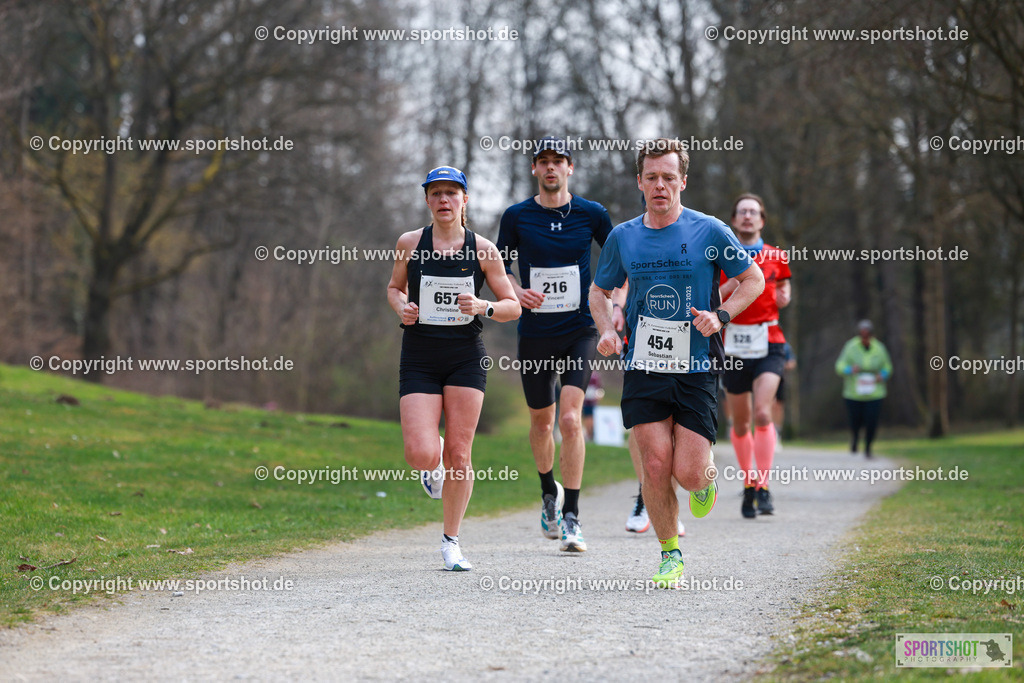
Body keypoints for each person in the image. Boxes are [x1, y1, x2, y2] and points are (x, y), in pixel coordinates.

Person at [590, 138, 764, 587]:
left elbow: (753, 279)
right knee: (653, 464)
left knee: (688, 473)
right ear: (639, 182)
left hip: (697, 366)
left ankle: (706, 482)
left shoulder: (709, 231)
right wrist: (608, 329)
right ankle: (670, 553)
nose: (660, 185)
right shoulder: (623, 237)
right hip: (644, 365)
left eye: (669, 177)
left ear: (683, 180)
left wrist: (720, 315)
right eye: (652, 177)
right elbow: (599, 290)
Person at [387, 165, 521, 571]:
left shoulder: (483, 250)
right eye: (436, 193)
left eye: (451, 193)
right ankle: (435, 460)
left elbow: (513, 305)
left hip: (466, 356)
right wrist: (403, 307)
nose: (443, 200)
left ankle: (451, 541)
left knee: (462, 455)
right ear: (427, 200)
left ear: (465, 200)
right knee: (420, 453)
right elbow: (394, 288)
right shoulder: (410, 243)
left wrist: (485, 306)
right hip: (420, 357)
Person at [496, 136, 613, 553]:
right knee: (542, 424)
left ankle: (572, 517)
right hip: (535, 334)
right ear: (534, 169)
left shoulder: (592, 214)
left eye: (558, 162)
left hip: (580, 329)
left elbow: (619, 259)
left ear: (570, 168)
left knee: (569, 420)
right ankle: (549, 492)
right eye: (542, 162)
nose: (550, 168)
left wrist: (613, 306)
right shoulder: (516, 216)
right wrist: (516, 290)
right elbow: (501, 270)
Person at [719, 193, 792, 519]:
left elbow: (785, 293)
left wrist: (784, 295)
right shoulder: (721, 256)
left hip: (769, 342)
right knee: (741, 421)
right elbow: (713, 297)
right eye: (742, 212)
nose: (747, 217)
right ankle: (748, 482)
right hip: (732, 344)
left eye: (753, 212)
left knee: (763, 413)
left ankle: (763, 486)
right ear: (734, 220)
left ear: (762, 220)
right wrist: (737, 280)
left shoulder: (777, 255)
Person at [612, 281, 686, 538]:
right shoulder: (635, 242)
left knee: (677, 425)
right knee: (642, 423)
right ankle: (647, 496)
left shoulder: (695, 242)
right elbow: (619, 285)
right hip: (640, 343)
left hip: (686, 338)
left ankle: (668, 502)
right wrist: (616, 308)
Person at [835, 320, 892, 458]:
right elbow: (839, 366)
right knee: (855, 420)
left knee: (871, 420)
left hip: (875, 392)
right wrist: (849, 370)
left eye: (867, 335)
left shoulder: (879, 348)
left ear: (872, 335)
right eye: (862, 335)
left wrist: (882, 375)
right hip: (853, 393)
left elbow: (888, 367)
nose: (865, 337)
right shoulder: (850, 347)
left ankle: (868, 447)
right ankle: (855, 438)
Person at [773, 342, 797, 451]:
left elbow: (792, 362)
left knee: (778, 406)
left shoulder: (785, 346)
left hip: (779, 379)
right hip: (760, 380)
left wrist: (779, 365)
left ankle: (777, 433)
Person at [582, 372, 604, 441]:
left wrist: (599, 395)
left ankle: (591, 434)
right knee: (587, 419)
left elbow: (599, 388)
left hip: (593, 402)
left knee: (592, 420)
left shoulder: (596, 376)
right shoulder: (583, 375)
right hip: (586, 402)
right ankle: (589, 434)